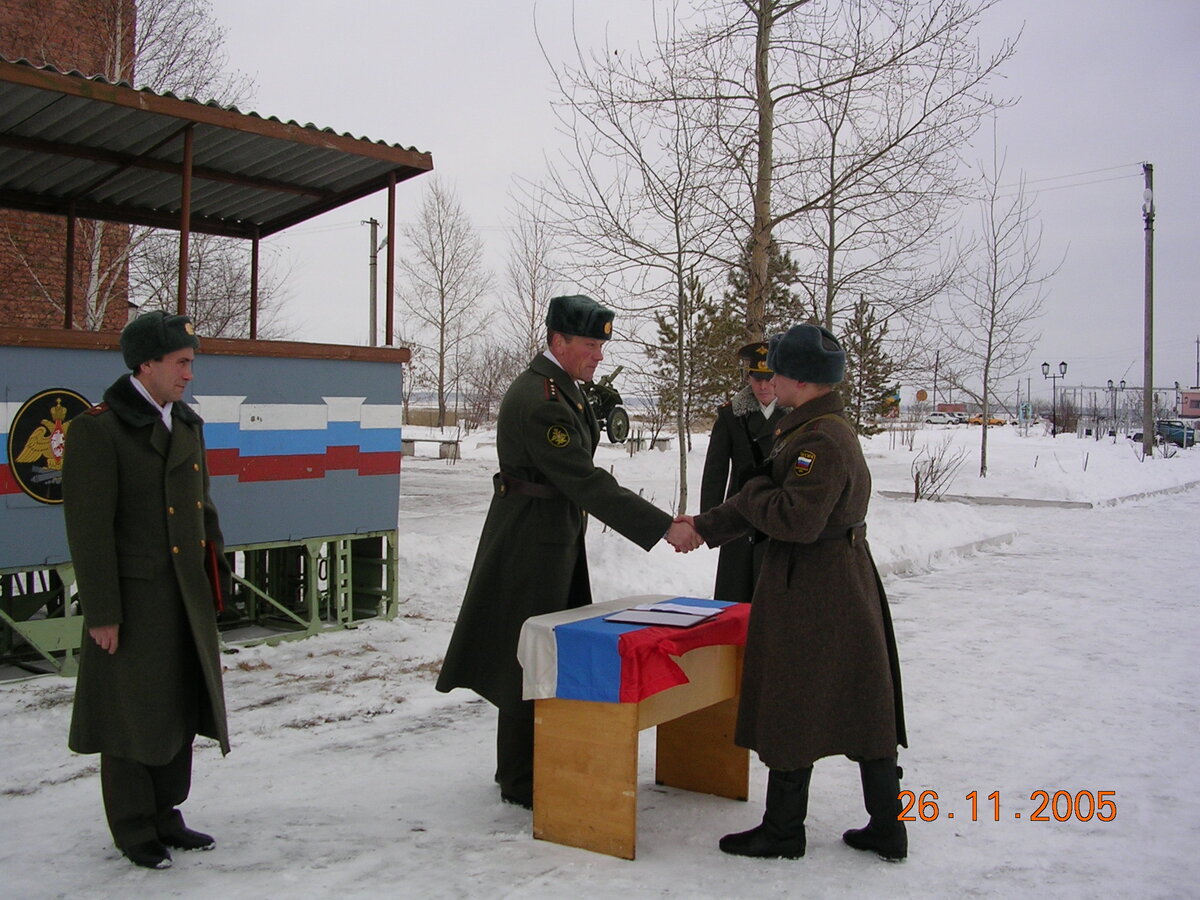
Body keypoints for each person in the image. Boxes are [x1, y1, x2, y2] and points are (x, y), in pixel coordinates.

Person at [435, 294, 697, 809]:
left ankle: (522, 769)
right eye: (590, 344)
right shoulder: (543, 400)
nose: (598, 354)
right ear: (559, 341)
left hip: (549, 535)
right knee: (527, 657)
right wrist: (664, 525)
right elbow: (584, 479)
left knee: (538, 652)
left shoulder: (562, 389)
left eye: (601, 344)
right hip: (530, 543)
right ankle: (521, 781)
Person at [682, 323, 907, 861]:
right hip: (832, 580)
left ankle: (785, 831)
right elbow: (770, 500)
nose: (770, 380)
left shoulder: (820, 439)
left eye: (778, 370)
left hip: (814, 583)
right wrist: (707, 526)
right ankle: (884, 826)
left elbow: (797, 517)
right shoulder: (812, 428)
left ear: (801, 380)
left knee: (793, 696)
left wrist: (756, 490)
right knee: (860, 699)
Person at [62, 311, 231, 870]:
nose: (189, 375)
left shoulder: (185, 422)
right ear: (147, 364)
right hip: (133, 601)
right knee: (131, 713)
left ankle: (166, 815)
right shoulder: (99, 428)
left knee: (179, 706)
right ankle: (134, 827)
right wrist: (102, 612)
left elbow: (202, 509)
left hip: (184, 593)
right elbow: (89, 530)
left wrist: (216, 579)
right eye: (181, 363)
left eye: (190, 364)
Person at [699, 341, 789, 604]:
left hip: (779, 515)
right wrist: (710, 521)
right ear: (748, 377)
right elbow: (715, 470)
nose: (763, 386)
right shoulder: (731, 416)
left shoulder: (794, 416)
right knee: (735, 596)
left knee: (775, 601)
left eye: (769, 378)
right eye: (756, 378)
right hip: (739, 515)